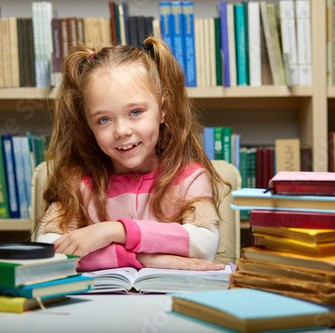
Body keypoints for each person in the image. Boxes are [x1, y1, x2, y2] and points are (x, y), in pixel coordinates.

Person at [35, 37, 230, 272]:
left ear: (163, 110)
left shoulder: (189, 178)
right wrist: (143, 259)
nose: (122, 131)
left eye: (135, 112)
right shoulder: (78, 182)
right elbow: (48, 251)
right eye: (104, 119)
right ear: (88, 125)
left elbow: (204, 244)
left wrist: (113, 232)